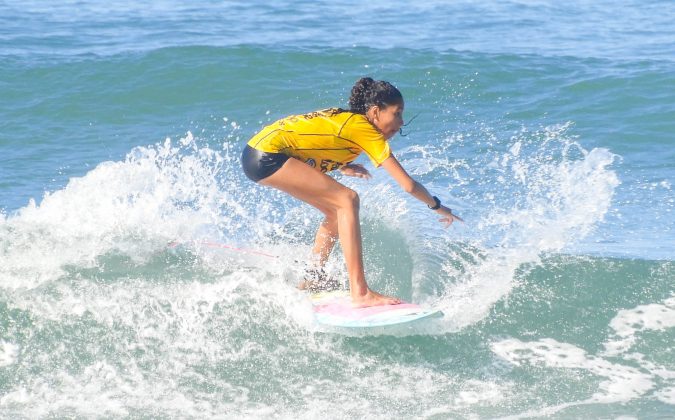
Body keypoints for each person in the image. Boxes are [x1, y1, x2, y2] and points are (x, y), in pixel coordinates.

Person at [241, 77, 462, 307]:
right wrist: (438, 206)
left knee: (336, 211)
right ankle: (361, 292)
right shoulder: (365, 130)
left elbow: (316, 135)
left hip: (258, 152)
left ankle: (313, 277)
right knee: (347, 199)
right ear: (376, 112)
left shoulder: (350, 121)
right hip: (267, 155)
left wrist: (342, 164)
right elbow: (408, 185)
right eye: (397, 113)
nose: (401, 122)